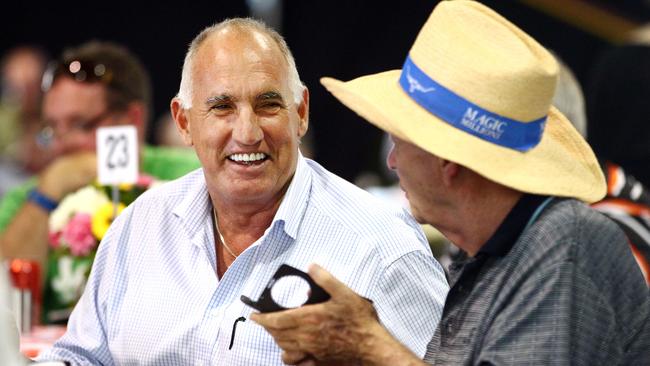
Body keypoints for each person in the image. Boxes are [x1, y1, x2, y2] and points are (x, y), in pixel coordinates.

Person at [252, 1, 650, 365]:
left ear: (447, 160)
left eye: (400, 140)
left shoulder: (565, 246)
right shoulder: (490, 246)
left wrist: (369, 346)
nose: (392, 160)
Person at [36, 18, 448, 365]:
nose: (248, 133)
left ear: (301, 113)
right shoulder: (139, 226)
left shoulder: (383, 249)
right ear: (184, 123)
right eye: (222, 107)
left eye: (268, 104)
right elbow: (80, 357)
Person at [0, 41, 202, 321]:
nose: (61, 146)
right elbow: (7, 301)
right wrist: (46, 196)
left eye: (80, 125)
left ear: (132, 119)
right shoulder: (27, 198)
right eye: (53, 129)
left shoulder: (192, 174)